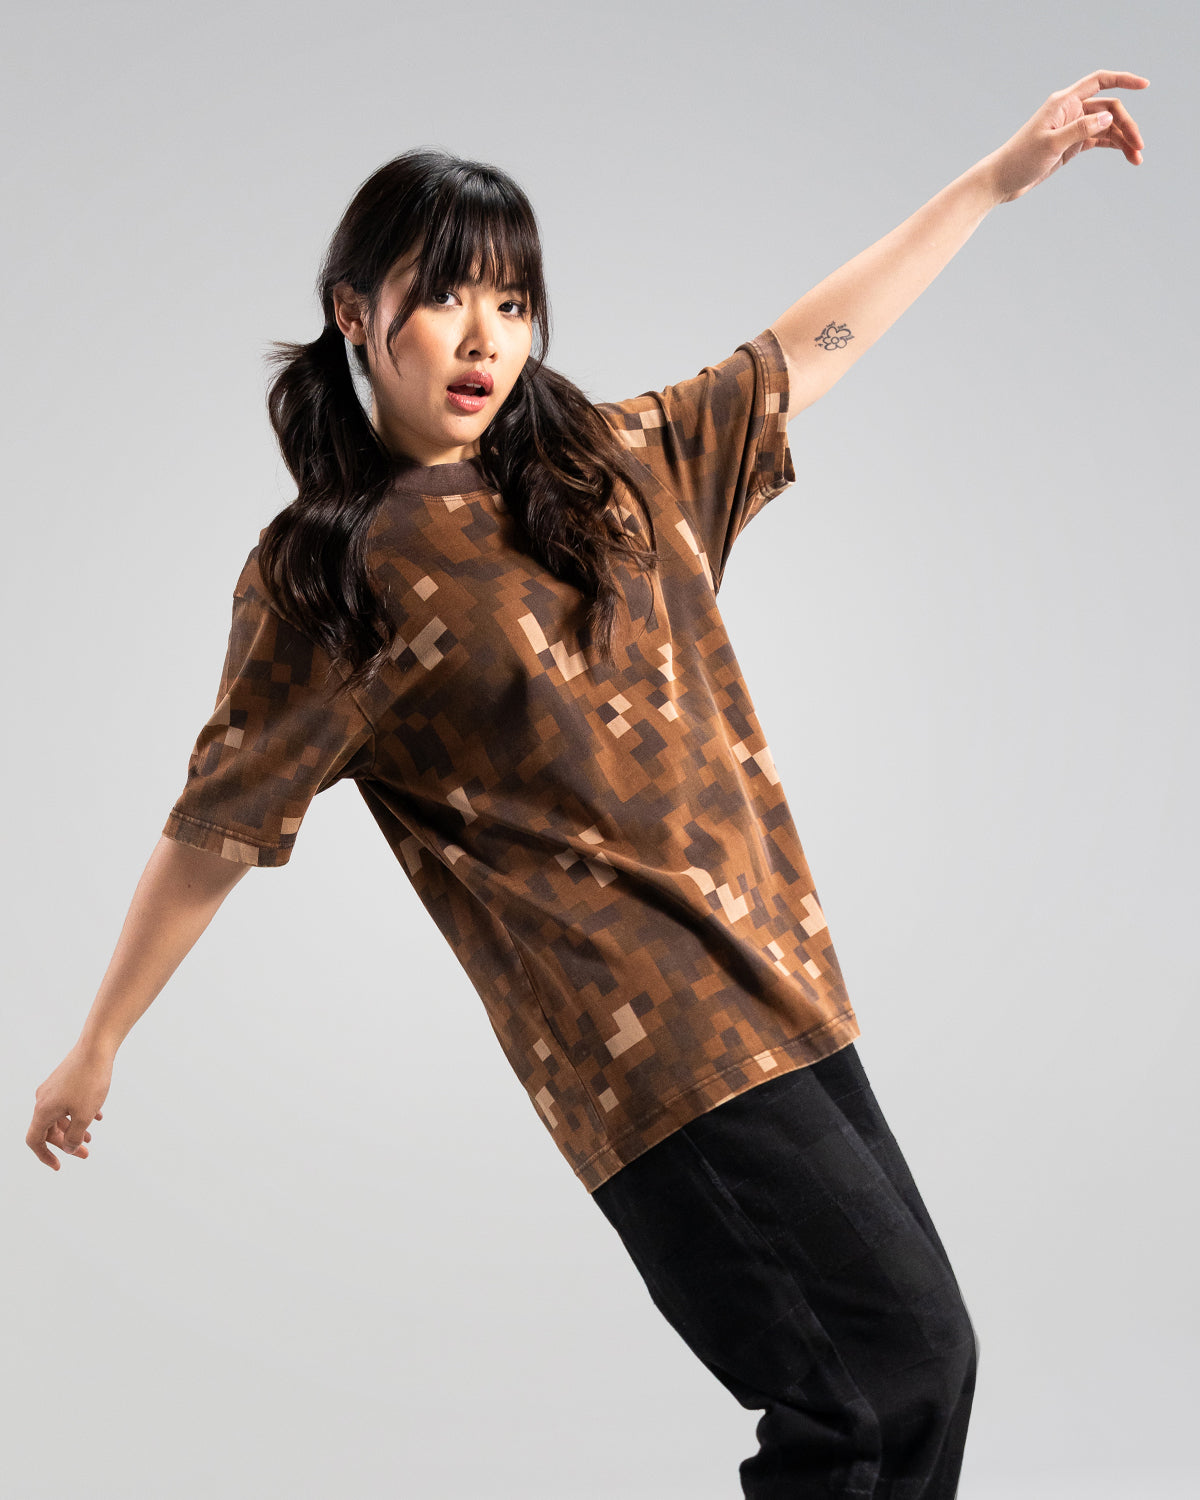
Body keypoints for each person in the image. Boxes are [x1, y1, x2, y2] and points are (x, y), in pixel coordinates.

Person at [28, 69, 1147, 1497]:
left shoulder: (615, 468)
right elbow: (218, 826)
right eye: (443, 296)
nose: (482, 336)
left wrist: (992, 183)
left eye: (512, 301)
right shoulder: (332, 571)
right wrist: (100, 1041)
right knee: (882, 1392)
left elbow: (802, 349)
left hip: (782, 988)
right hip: (643, 1045)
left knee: (923, 1375)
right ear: (356, 313)